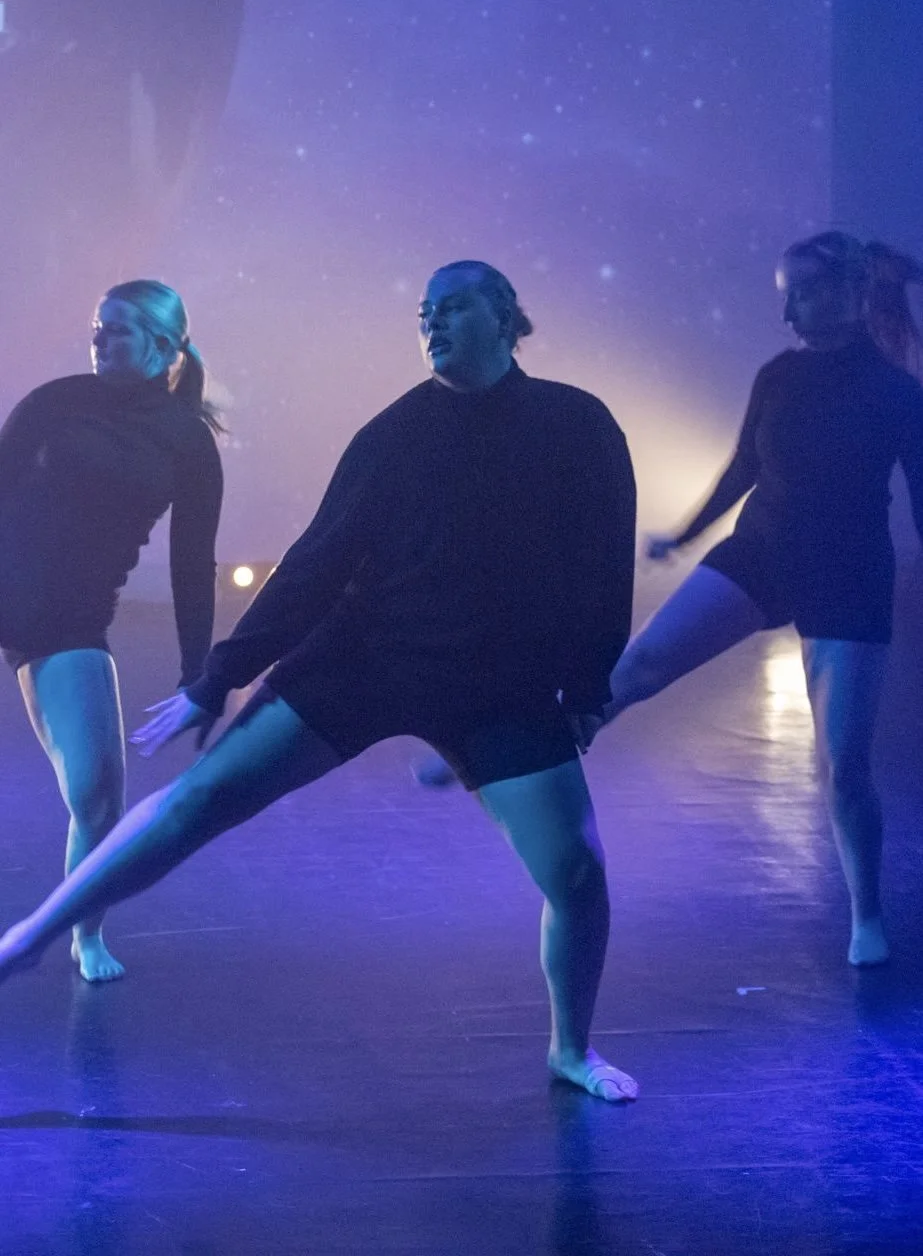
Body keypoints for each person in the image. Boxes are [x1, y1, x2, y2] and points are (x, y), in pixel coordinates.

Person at [0, 261, 638, 1102]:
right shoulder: (393, 435)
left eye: (452, 308)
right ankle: (32, 937)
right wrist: (218, 675)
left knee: (577, 874)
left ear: (506, 318)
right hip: (364, 660)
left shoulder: (576, 423)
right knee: (199, 800)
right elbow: (314, 564)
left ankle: (569, 1050)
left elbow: (603, 560)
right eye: (423, 311)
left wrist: (587, 686)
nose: (433, 323)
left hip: (497, 681)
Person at [605, 233, 923, 968]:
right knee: (639, 664)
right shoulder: (777, 376)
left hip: (848, 574)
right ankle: (516, 754)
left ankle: (865, 913)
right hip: (760, 551)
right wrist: (683, 536)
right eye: (783, 293)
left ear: (847, 293)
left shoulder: (898, 394)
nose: (786, 310)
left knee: (841, 766)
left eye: (801, 292)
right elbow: (743, 465)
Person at [0, 279, 223, 981]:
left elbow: (193, 565)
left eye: (117, 329)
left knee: (99, 795)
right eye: (97, 327)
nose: (99, 339)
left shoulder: (188, 441)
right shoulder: (55, 401)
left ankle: (80, 934)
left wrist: (199, 674)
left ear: (163, 345)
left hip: (66, 619)